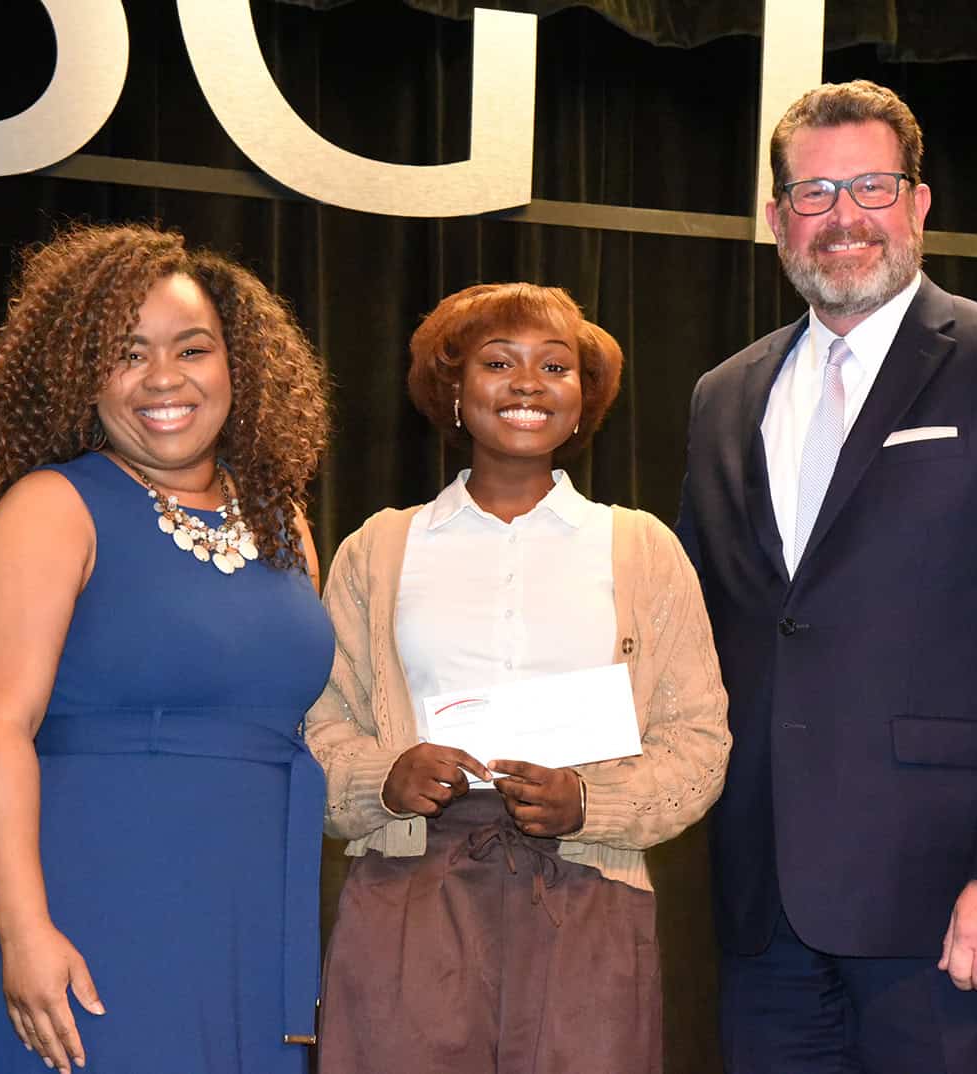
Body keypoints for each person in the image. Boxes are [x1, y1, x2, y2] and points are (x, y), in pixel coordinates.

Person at [675, 79, 977, 1073]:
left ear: (917, 203)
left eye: (871, 187)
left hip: (950, 901)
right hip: (763, 906)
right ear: (777, 219)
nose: (843, 220)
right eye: (814, 195)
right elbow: (693, 626)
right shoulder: (723, 394)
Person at [0, 222, 334, 1074]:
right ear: (83, 374)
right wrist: (24, 930)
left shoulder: (283, 519)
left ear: (237, 365)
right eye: (127, 352)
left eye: (193, 348)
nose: (163, 378)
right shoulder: (52, 508)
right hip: (101, 907)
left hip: (255, 911)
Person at [304, 282, 730, 1074]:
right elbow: (319, 724)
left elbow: (698, 739)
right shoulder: (381, 548)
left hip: (587, 889)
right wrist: (383, 778)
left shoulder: (640, 550)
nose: (528, 384)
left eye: (555, 367)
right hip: (409, 888)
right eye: (499, 363)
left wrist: (591, 803)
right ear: (455, 393)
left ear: (582, 399)